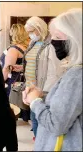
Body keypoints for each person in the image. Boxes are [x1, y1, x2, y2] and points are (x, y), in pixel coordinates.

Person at [23, 9, 82, 151]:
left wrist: (36, 101)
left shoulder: (76, 75)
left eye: (57, 36)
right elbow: (68, 105)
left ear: (74, 39)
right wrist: (40, 96)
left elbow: (56, 124)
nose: (53, 41)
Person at [23, 16, 65, 138]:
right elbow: (33, 62)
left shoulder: (51, 45)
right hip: (30, 87)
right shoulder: (33, 42)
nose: (30, 34)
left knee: (39, 120)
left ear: (39, 28)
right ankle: (38, 144)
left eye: (31, 31)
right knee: (34, 118)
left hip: (42, 90)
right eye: (28, 32)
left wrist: (45, 91)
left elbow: (55, 71)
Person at [1, 24, 31, 122]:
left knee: (12, 106)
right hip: (23, 80)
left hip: (12, 81)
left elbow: (7, 68)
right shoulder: (27, 48)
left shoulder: (14, 49)